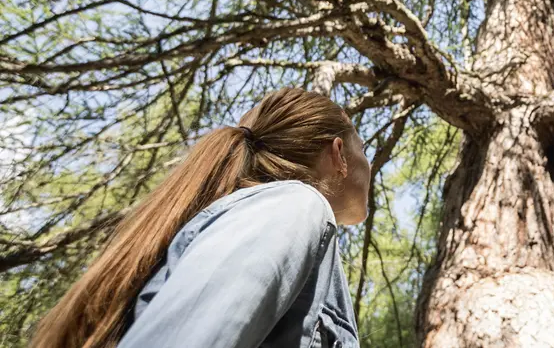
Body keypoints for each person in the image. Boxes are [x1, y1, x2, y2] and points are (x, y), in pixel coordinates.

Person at [29, 87, 370, 348]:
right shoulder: (293, 205)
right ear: (338, 153)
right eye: (363, 148)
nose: (367, 163)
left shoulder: (273, 218)